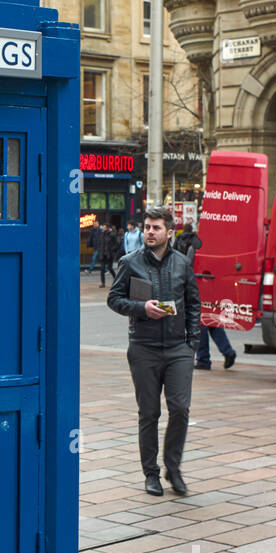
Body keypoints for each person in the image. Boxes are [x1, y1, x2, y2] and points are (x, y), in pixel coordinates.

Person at [107, 205, 201, 496]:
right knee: (149, 413)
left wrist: (192, 344)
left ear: (169, 232)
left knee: (180, 409)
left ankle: (174, 468)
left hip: (177, 350)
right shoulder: (129, 262)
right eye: (147, 226)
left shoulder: (183, 264)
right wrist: (142, 308)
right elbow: (114, 299)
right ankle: (151, 474)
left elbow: (194, 304)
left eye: (156, 227)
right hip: (143, 348)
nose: (150, 231)